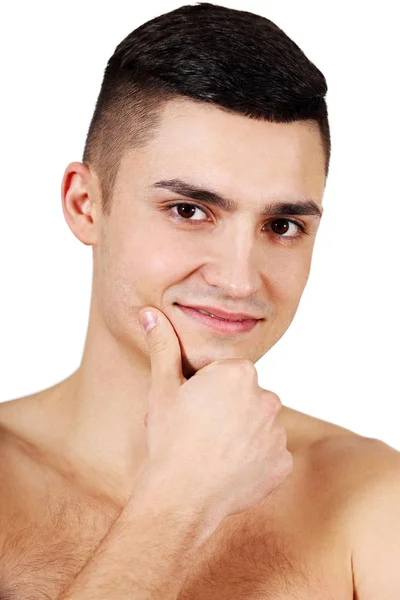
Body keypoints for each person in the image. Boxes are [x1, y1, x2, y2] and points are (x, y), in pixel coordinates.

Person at [0, 2, 399, 599]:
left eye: (283, 225)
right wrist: (176, 507)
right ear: (86, 205)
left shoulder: (371, 496)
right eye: (189, 211)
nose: (240, 280)